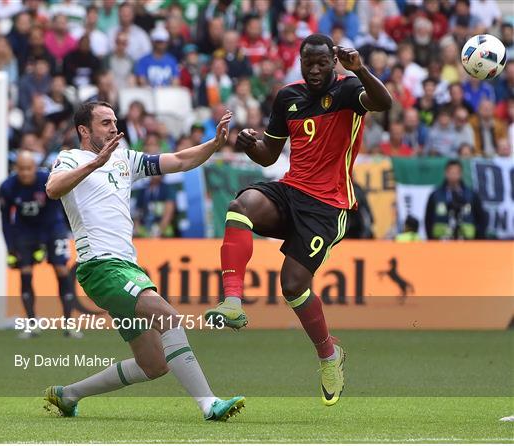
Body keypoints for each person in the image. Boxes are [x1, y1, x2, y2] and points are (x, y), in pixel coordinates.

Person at [205, 34, 392, 406]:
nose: (317, 69)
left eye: (324, 62)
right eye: (310, 62)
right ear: (301, 61)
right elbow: (267, 156)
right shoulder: (287, 97)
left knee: (292, 284)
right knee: (240, 206)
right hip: (291, 189)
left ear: (334, 62)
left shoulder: (349, 90)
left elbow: (384, 103)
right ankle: (232, 302)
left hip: (329, 205)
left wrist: (361, 69)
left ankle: (328, 355)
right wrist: (248, 144)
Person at [44, 101, 244, 421]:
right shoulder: (70, 158)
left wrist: (215, 144)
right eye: (105, 123)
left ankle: (69, 395)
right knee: (168, 316)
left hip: (125, 266)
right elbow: (53, 189)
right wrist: (95, 163)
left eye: (114, 121)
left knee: (154, 364)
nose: (114, 127)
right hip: (100, 266)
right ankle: (209, 404)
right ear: (84, 130)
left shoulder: (126, 158)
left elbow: (178, 160)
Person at [0, 151, 77, 338]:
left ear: (35, 167)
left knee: (61, 269)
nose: (25, 173)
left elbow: (53, 212)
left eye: (29, 168)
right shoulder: (8, 187)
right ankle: (32, 324)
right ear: (16, 168)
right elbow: (5, 220)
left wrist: (42, 245)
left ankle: (69, 324)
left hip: (52, 228)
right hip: (24, 231)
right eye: (21, 169)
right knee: (25, 272)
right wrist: (11, 246)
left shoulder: (46, 181)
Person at [424, 160, 487, 240]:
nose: (453, 176)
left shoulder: (471, 195)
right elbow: (428, 219)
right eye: (451, 172)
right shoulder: (435, 195)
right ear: (446, 173)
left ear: (461, 174)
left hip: (467, 241)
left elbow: (481, 219)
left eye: (456, 173)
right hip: (441, 241)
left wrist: (478, 239)